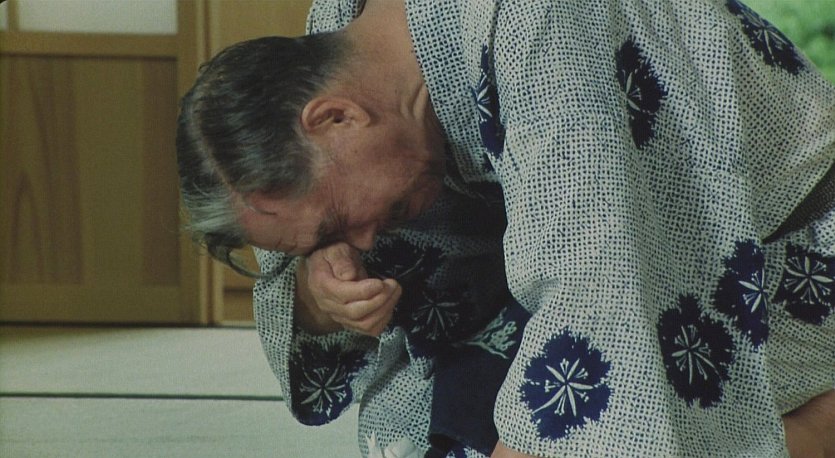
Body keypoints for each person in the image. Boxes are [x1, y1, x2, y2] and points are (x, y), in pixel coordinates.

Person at [176, 0, 835, 456]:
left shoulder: (536, 20)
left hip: (769, 254)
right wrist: (321, 296)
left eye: (335, 223)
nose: (362, 241)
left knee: (619, 429)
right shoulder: (338, 34)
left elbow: (597, 277)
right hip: (587, 261)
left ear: (335, 118)